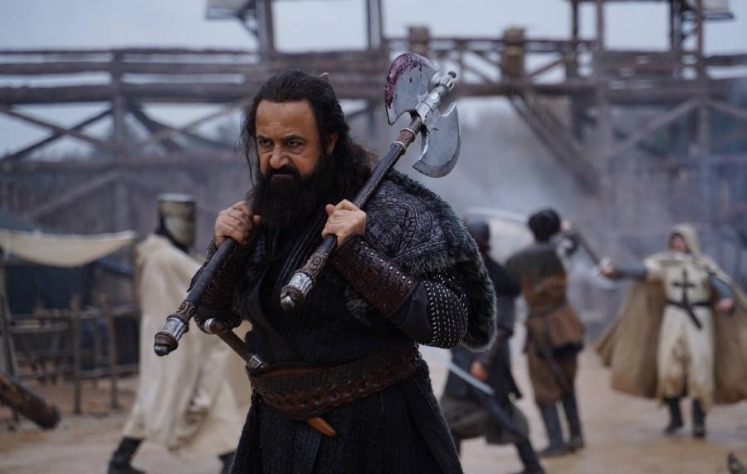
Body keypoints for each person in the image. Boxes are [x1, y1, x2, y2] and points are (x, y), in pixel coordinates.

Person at [190, 70, 497, 474]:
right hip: (275, 434)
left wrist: (355, 254)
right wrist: (227, 251)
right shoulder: (263, 215)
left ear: (330, 141)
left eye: (293, 144)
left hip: (378, 432)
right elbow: (208, 314)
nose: (276, 159)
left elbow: (450, 323)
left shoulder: (393, 211)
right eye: (265, 144)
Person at [108, 194, 249, 474]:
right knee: (210, 406)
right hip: (179, 345)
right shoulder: (164, 258)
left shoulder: (162, 256)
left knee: (151, 403)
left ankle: (120, 462)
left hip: (181, 344)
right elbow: (202, 281)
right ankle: (231, 464)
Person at [597, 223, 747, 438]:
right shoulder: (664, 264)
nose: (677, 243)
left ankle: (699, 422)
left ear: (690, 241)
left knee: (700, 369)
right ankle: (675, 419)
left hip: (699, 320)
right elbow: (642, 271)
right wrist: (618, 271)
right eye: (675, 239)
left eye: (681, 239)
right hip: (673, 317)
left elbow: (719, 282)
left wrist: (727, 299)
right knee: (669, 368)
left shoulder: (703, 264)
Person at [440, 219, 545, 474]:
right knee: (450, 418)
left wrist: (483, 362)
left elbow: (503, 327)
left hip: (489, 360)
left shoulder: (499, 278)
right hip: (462, 359)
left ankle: (533, 467)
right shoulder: (459, 273)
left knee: (502, 412)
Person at [504, 208, 586, 458]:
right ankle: (576, 436)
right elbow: (573, 240)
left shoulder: (517, 259)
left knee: (544, 386)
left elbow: (508, 286)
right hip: (566, 324)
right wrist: (566, 230)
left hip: (540, 326)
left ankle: (556, 443)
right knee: (567, 381)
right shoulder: (562, 249)